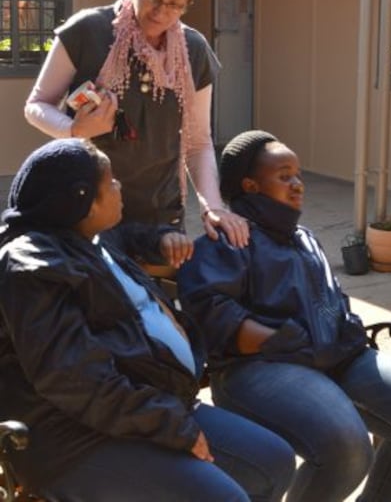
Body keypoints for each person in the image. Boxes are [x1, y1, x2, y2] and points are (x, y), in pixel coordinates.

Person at [0, 137, 295, 502]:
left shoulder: (84, 235)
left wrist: (161, 239)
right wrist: (174, 427)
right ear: (82, 200)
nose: (119, 186)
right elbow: (73, 380)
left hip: (147, 406)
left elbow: (127, 235)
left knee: (275, 461)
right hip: (73, 441)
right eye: (110, 183)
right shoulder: (32, 269)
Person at [177, 129, 391, 502]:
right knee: (347, 448)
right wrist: (274, 338)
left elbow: (332, 300)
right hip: (262, 366)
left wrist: (346, 332)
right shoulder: (229, 239)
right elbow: (209, 310)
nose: (298, 184)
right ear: (251, 185)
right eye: (284, 175)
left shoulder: (305, 237)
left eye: (298, 174)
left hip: (335, 356)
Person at [24, 0, 248, 249]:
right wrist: (74, 130)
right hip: (86, 211)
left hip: (160, 218)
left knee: (153, 299)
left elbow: (198, 142)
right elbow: (37, 105)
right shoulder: (88, 31)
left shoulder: (193, 50)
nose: (161, 12)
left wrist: (213, 206)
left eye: (176, 4)